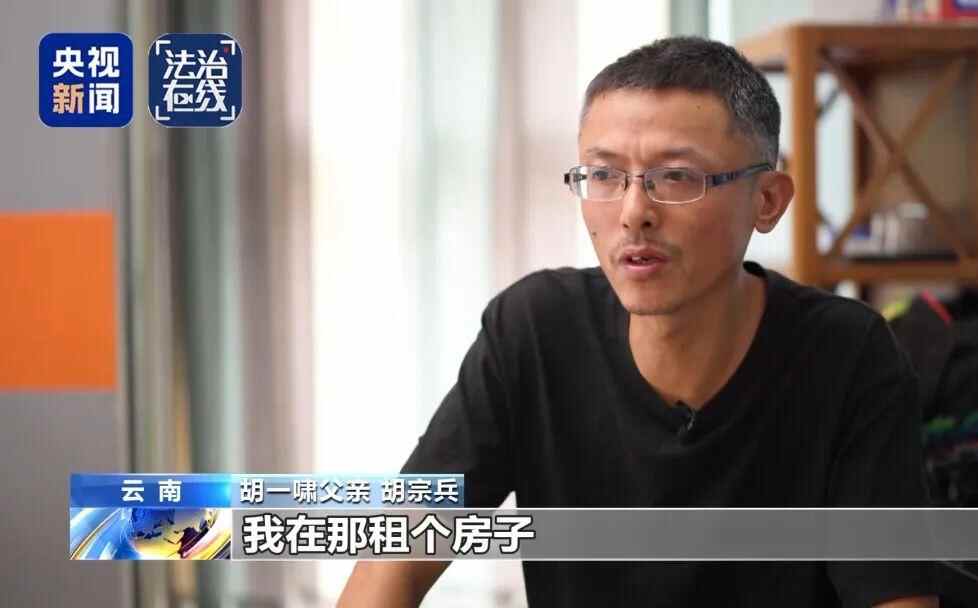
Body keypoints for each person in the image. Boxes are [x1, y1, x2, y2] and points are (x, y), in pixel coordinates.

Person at [339, 36, 939, 607]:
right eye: (603, 175)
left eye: (676, 177)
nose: (633, 214)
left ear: (767, 200)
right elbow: (392, 559)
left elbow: (895, 594)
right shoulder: (535, 333)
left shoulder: (848, 355)